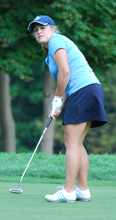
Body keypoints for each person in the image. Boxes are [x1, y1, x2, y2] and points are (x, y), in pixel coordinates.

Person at [27, 15, 108, 203]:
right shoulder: (49, 56)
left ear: (52, 29)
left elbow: (65, 72)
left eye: (43, 27)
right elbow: (63, 83)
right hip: (89, 89)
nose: (38, 31)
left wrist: (56, 98)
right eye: (35, 30)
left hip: (84, 89)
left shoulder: (56, 41)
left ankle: (68, 191)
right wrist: (57, 105)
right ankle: (82, 189)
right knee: (77, 143)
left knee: (70, 141)